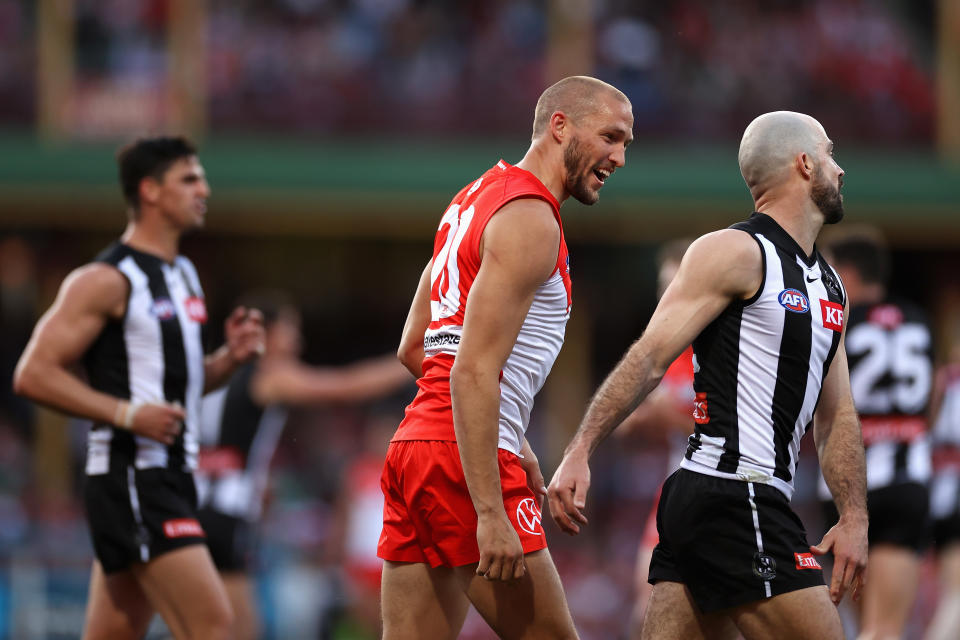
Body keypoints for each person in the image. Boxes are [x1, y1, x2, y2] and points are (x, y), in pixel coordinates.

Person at [548, 111, 868, 640]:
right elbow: (649, 357)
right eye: (830, 153)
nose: (841, 169)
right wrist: (581, 446)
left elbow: (837, 415)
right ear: (805, 164)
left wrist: (854, 516)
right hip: (734, 491)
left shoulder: (831, 287)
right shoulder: (734, 251)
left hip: (729, 500)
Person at [377, 75, 634, 640]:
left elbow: (415, 346)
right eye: (611, 137)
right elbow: (471, 368)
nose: (618, 156)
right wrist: (489, 510)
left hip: (415, 447)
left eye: (626, 144)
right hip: (462, 458)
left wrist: (513, 437)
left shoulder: (472, 198)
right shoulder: (530, 217)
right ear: (560, 125)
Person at [13, 136, 265, 640]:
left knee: (114, 633)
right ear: (149, 191)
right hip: (133, 476)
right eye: (189, 179)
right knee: (215, 625)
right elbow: (33, 373)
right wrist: (127, 415)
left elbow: (180, 391)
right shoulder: (107, 279)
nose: (205, 190)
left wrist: (228, 361)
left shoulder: (185, 274)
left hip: (168, 475)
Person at [194, 291, 411, 640]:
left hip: (191, 506)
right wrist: (415, 357)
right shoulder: (268, 375)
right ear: (266, 333)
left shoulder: (211, 372)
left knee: (200, 623)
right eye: (291, 329)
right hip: (227, 511)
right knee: (238, 630)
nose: (298, 339)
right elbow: (344, 387)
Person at [815, 231, 933, 640]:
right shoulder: (919, 320)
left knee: (862, 627)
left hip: (847, 485)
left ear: (845, 273)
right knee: (886, 629)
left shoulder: (837, 319)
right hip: (907, 481)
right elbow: (932, 397)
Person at [612, 238, 696, 638]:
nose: (667, 295)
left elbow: (742, 431)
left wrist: (671, 418)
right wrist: (641, 418)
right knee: (645, 609)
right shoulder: (672, 350)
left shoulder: (726, 347)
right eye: (664, 286)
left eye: (675, 283)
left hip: (725, 496)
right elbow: (630, 423)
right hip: (675, 493)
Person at [926, 344, 960, 640]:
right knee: (956, 594)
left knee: (953, 591)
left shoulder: (938, 380)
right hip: (952, 493)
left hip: (940, 493)